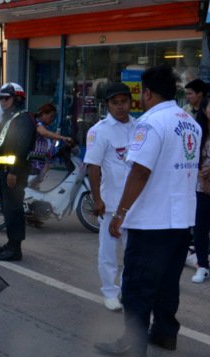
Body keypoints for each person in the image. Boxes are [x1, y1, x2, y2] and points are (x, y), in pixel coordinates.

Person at [95, 65, 199, 357]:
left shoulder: (150, 124)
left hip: (151, 220)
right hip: (181, 219)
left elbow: (140, 171)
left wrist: (121, 213)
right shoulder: (190, 122)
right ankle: (165, 333)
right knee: (167, 281)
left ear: (149, 92)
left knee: (137, 282)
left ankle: (134, 340)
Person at [83, 82, 136, 312]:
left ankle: (127, 290)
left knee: (133, 252)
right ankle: (109, 292)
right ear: (107, 105)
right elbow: (93, 167)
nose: (120, 107)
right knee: (108, 251)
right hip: (110, 203)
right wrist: (97, 199)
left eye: (124, 101)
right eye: (115, 103)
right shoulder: (99, 131)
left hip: (135, 202)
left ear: (130, 102)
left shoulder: (140, 127)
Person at [0, 82, 36, 261]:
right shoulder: (10, 117)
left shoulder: (23, 119)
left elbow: (22, 147)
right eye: (0, 98)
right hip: (3, 170)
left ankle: (15, 249)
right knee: (6, 208)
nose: (2, 101)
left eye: (6, 98)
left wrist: (13, 172)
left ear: (17, 98)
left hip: (13, 172)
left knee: (14, 209)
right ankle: (10, 243)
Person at [28, 103, 73, 189]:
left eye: (54, 117)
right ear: (44, 114)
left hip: (40, 166)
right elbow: (43, 133)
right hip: (33, 164)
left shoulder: (45, 127)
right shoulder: (37, 124)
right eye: (51, 116)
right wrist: (63, 138)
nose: (52, 119)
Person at [191, 96, 210, 283]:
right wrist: (200, 174)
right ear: (204, 109)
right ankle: (202, 265)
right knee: (200, 227)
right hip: (200, 186)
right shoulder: (198, 131)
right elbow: (189, 156)